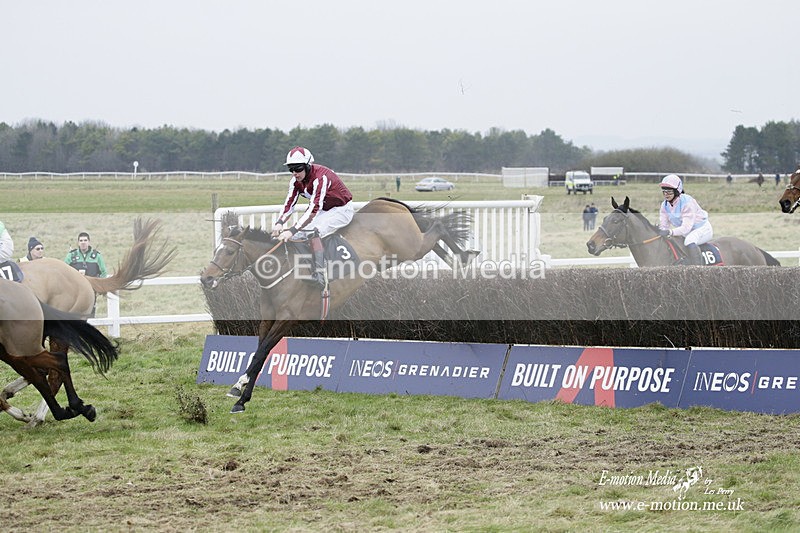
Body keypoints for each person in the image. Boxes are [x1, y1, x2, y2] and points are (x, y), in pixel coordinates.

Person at [271, 146, 354, 288]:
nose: (294, 173)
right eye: (291, 169)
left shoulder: (320, 178)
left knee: (312, 231)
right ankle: (301, 269)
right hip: (325, 210)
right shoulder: (295, 181)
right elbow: (289, 203)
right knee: (297, 237)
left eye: (298, 169)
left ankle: (321, 275)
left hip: (341, 209)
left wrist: (292, 229)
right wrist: (279, 222)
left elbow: (313, 209)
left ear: (308, 166)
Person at [656, 174, 713, 266]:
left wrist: (670, 232)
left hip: (702, 229)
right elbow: (664, 226)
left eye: (669, 192)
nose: (666, 195)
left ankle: (698, 269)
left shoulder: (687, 202)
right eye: (664, 192)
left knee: (689, 241)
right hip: (685, 232)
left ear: (677, 191)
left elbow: (686, 228)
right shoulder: (664, 205)